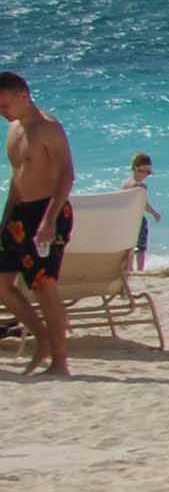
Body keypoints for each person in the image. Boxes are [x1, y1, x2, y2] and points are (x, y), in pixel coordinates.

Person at [0, 72, 77, 378]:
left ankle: (60, 362)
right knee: (2, 285)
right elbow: (17, 178)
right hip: (19, 214)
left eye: (5, 105)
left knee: (44, 288)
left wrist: (49, 219)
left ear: (23, 96)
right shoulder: (13, 129)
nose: (2, 112)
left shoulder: (48, 128)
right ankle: (41, 338)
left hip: (48, 212)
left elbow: (67, 175)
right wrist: (6, 219)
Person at [124, 154, 157, 260]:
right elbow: (144, 204)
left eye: (148, 173)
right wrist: (154, 213)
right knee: (140, 248)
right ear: (136, 169)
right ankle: (140, 270)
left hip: (125, 218)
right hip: (137, 219)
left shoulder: (125, 183)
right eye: (145, 172)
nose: (147, 175)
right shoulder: (140, 186)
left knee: (129, 246)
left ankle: (129, 268)